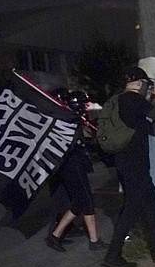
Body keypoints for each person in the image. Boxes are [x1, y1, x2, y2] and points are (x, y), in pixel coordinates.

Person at [102, 67, 155, 267]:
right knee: (132, 208)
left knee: (151, 202)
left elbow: (144, 120)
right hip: (134, 163)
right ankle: (113, 255)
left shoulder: (120, 100)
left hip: (125, 161)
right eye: (146, 84)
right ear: (139, 83)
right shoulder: (134, 100)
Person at [45, 91, 108, 252]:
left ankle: (59, 235)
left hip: (72, 165)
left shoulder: (70, 120)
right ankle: (61, 236)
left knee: (80, 203)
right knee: (85, 201)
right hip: (72, 165)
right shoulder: (67, 121)